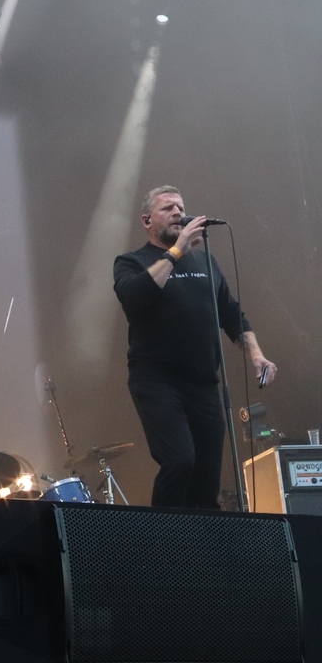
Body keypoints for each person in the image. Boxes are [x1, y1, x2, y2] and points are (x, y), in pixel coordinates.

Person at [113, 185, 277, 509]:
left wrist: (257, 355)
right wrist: (176, 251)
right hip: (156, 380)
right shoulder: (131, 261)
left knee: (206, 478)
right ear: (147, 220)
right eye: (167, 208)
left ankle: (202, 538)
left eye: (180, 207)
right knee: (179, 460)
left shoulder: (206, 262)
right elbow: (134, 296)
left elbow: (232, 315)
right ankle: (161, 535)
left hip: (203, 384)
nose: (177, 212)